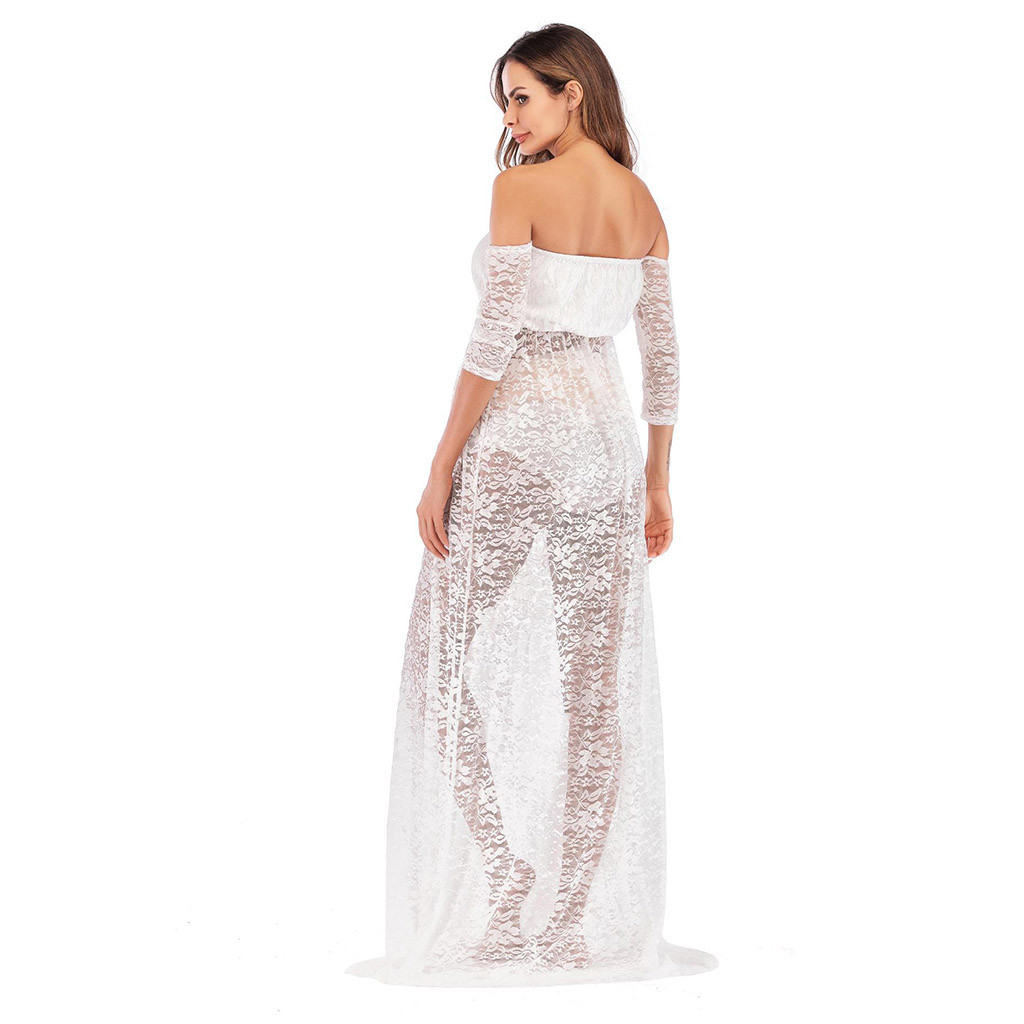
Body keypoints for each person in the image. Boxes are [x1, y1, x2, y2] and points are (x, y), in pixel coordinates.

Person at [348, 23, 716, 986]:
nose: (510, 117)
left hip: (516, 445)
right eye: (504, 101)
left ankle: (511, 872)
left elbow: (492, 340)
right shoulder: (642, 203)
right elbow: (664, 359)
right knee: (596, 688)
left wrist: (440, 465)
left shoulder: (519, 190)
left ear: (571, 93)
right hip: (603, 453)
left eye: (522, 96)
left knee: (440, 661)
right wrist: (658, 477)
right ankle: (572, 911)